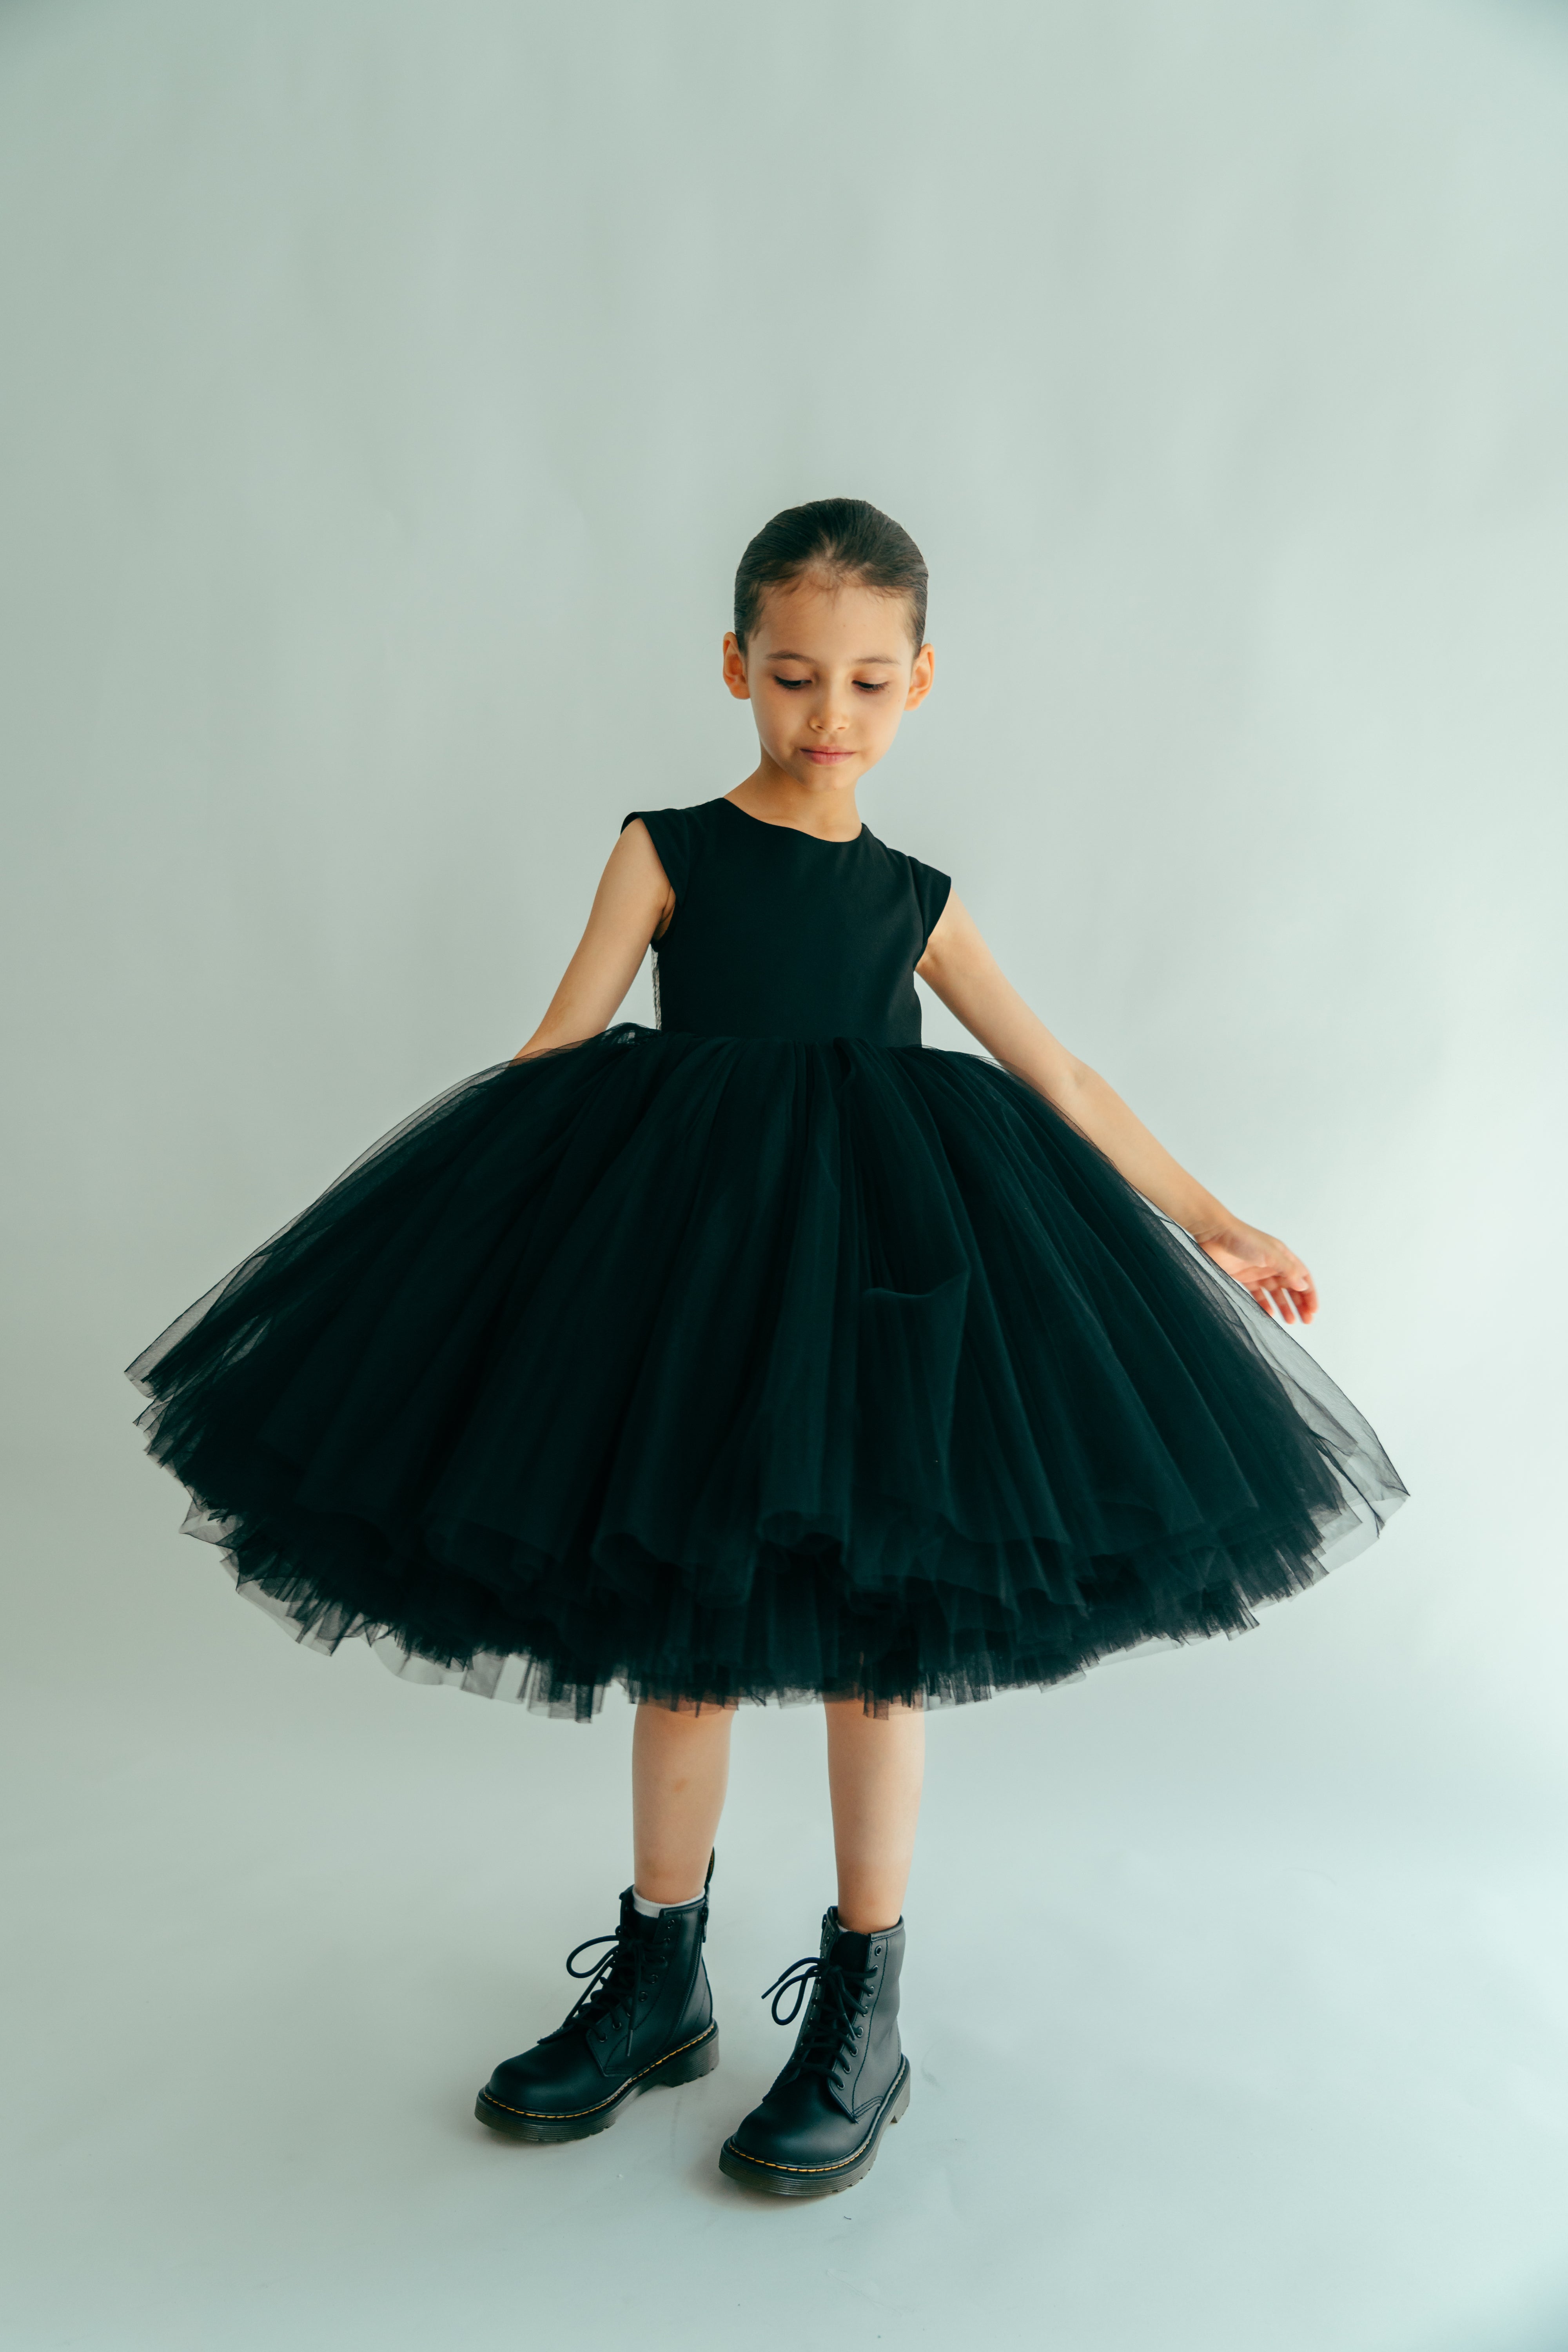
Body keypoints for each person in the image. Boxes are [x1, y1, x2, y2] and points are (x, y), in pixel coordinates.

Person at [128, 497, 1406, 2200]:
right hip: (694, 1278)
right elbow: (556, 1051)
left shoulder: (917, 899)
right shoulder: (665, 847)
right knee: (685, 1636)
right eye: (795, 675)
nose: (828, 714)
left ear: (921, 684)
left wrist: (1212, 1216)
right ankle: (659, 1978)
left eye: (869, 682)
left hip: (890, 1285)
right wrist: (467, 1247)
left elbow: (1064, 1080)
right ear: (735, 666)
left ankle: (864, 2003)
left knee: (884, 1637)